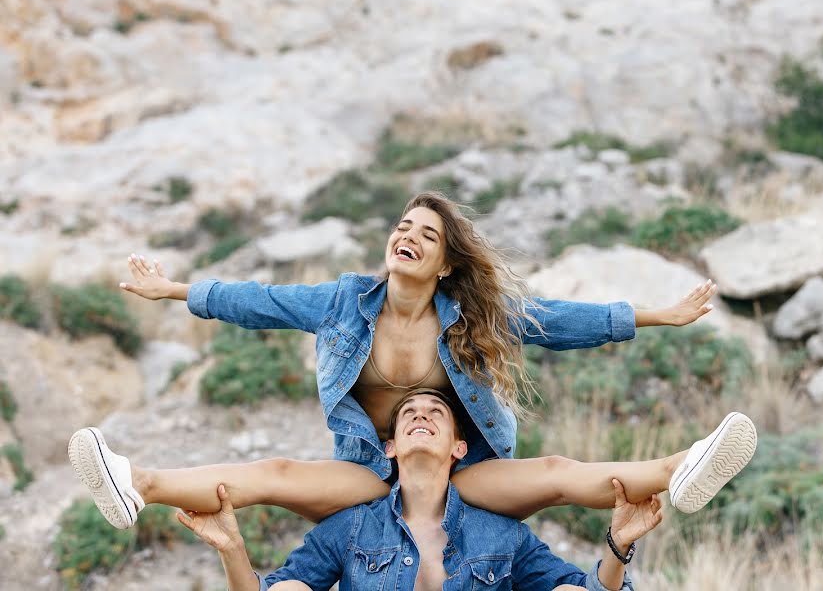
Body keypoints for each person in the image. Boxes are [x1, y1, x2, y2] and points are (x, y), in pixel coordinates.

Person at [68, 192, 752, 531]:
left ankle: (677, 470)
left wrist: (660, 314)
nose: (407, 235)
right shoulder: (342, 302)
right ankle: (137, 484)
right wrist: (176, 290)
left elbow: (555, 320)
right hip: (372, 473)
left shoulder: (472, 314)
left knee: (554, 473)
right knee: (273, 473)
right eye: (402, 226)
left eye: (426, 234)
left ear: (446, 260)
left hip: (467, 473)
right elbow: (261, 300)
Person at [178, 389, 670, 591]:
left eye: (435, 413)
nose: (420, 414)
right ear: (388, 448)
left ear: (459, 447)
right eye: (409, 413)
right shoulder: (352, 527)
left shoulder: (501, 534)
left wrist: (618, 545)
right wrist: (232, 549)